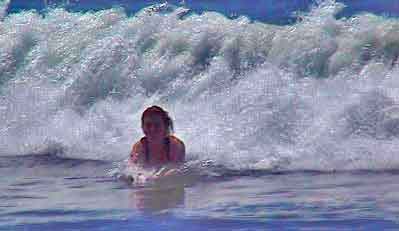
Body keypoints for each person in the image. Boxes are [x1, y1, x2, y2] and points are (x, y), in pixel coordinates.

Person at [128, 105, 185, 180]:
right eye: (148, 125)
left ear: (165, 127)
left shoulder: (175, 146)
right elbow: (132, 171)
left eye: (157, 125)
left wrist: (156, 178)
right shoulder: (139, 147)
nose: (152, 129)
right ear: (142, 127)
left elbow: (176, 170)